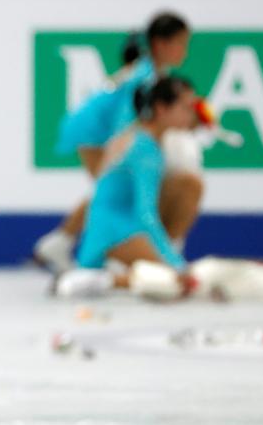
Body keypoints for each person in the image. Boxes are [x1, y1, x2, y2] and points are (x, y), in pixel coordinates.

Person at [33, 12, 191, 291]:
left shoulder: (149, 72)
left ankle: (65, 242)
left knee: (111, 186)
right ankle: (63, 243)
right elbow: (125, 126)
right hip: (90, 129)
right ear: (160, 43)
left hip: (91, 126)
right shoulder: (145, 77)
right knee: (109, 183)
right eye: (179, 43)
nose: (184, 50)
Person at [59, 75, 198, 297]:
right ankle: (99, 280)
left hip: (108, 225)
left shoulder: (140, 136)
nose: (192, 115)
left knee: (175, 280)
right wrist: (176, 262)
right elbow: (145, 214)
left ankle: (103, 278)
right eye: (186, 107)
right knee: (175, 282)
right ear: (161, 108)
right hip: (115, 231)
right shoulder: (145, 149)